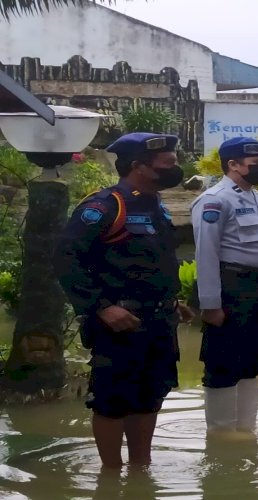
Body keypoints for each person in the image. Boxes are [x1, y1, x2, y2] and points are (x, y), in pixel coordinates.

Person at [54, 132, 194, 468]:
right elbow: (65, 259)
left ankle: (140, 469)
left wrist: (173, 302)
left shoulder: (155, 205)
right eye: (168, 164)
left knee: (150, 396)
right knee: (113, 400)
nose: (176, 168)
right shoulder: (106, 205)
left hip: (159, 321)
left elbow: (151, 264)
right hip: (118, 324)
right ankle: (111, 475)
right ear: (139, 167)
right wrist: (101, 307)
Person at [190, 137, 258, 433]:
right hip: (230, 286)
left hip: (256, 287)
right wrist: (210, 304)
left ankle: (246, 429)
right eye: (256, 164)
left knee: (254, 357)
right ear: (233, 164)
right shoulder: (215, 200)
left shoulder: (257, 197)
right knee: (223, 362)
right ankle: (221, 433)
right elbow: (206, 253)